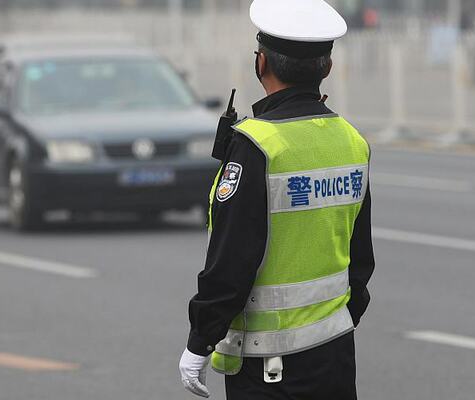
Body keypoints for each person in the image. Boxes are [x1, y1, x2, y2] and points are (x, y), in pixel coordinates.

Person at [178, 0, 375, 399]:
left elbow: (232, 261)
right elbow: (360, 259)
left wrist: (200, 341)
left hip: (269, 366)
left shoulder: (258, 146)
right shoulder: (352, 141)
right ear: (328, 67)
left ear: (261, 63)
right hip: (335, 354)